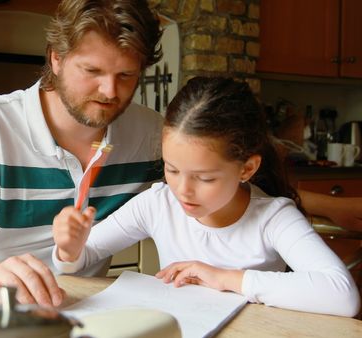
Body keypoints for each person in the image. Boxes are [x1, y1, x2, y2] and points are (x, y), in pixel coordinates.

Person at [0, 0, 164, 307]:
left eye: (125, 75)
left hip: (84, 310)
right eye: (92, 70)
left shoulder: (152, 134)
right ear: (56, 58)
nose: (109, 90)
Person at [52, 77, 361, 317]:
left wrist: (224, 278)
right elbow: (83, 258)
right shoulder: (158, 203)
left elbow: (341, 295)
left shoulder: (273, 218)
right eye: (172, 170)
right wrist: (69, 251)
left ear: (247, 168)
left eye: (204, 178)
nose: (182, 190)